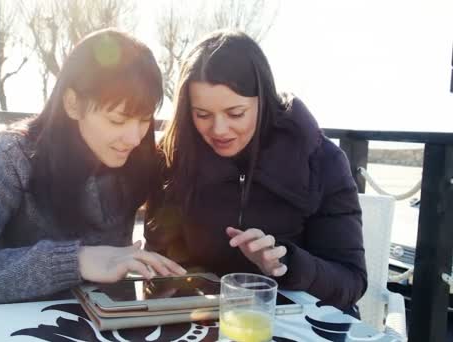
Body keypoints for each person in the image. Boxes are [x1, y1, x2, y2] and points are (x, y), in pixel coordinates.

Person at [0, 29, 186, 310]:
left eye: (145, 120)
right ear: (73, 104)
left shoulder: (137, 159)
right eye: (117, 120)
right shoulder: (14, 157)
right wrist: (74, 260)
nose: (134, 138)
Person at [145, 30, 366, 312]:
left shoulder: (321, 161)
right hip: (203, 322)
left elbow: (352, 283)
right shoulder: (174, 157)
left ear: (264, 101)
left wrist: (287, 263)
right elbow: (160, 260)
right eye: (202, 114)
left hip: (297, 322)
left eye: (235, 113)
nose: (219, 130)